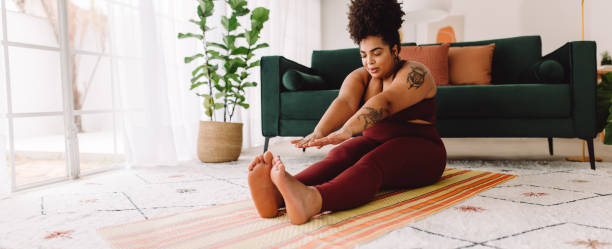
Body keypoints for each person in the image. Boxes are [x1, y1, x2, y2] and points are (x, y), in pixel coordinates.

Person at [247, 0, 447, 225]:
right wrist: (320, 132)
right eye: (363, 55)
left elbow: (386, 102)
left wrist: (347, 130)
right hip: (376, 143)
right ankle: (278, 194)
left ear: (395, 49)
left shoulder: (415, 73)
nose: (369, 61)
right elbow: (344, 102)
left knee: (373, 161)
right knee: (340, 156)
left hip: (422, 151)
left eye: (377, 53)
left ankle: (313, 200)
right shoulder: (360, 77)